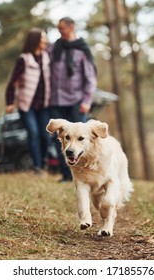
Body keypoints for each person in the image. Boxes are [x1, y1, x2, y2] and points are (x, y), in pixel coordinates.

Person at [48, 17, 97, 182]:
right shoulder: (55, 48)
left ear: (71, 27)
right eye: (58, 28)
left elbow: (90, 78)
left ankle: (82, 175)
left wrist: (87, 101)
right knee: (61, 140)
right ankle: (66, 175)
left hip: (76, 101)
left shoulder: (81, 50)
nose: (60, 31)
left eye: (63, 28)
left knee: (80, 140)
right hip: (55, 100)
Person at [5, 28, 51, 174]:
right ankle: (37, 167)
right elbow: (12, 82)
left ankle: (43, 161)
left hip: (44, 104)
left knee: (45, 135)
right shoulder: (24, 59)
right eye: (43, 38)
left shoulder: (47, 57)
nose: (45, 41)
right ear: (35, 40)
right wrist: (10, 102)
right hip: (27, 105)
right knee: (33, 133)